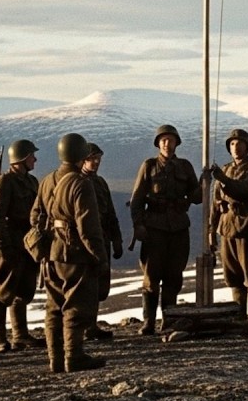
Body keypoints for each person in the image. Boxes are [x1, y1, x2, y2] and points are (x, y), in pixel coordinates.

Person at [32, 133, 106, 372]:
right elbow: (88, 227)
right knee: (74, 306)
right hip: (74, 253)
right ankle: (74, 356)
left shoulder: (47, 181)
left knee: (54, 308)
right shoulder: (81, 183)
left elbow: (36, 217)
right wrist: (98, 256)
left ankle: (55, 359)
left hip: (51, 252)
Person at [129, 124, 202, 335]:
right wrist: (138, 224)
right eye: (163, 141)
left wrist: (203, 186)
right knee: (151, 277)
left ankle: (168, 319)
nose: (167, 144)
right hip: (154, 228)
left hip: (179, 228)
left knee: (173, 276)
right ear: (158, 144)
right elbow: (137, 199)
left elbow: (196, 198)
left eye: (170, 140)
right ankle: (148, 322)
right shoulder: (149, 166)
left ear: (177, 143)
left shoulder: (185, 167)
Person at [0, 139, 44, 353]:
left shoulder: (31, 182)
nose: (35, 159)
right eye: (31, 156)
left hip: (27, 243)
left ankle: (20, 335)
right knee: (1, 292)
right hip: (9, 243)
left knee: (24, 290)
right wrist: (4, 245)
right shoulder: (4, 182)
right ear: (22, 158)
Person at [207, 129, 248, 330]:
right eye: (231, 144)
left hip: (247, 225)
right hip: (227, 226)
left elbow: (244, 191)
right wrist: (211, 231)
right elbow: (215, 203)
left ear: (247, 147)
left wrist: (223, 180)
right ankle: (240, 316)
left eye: (239, 143)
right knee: (233, 274)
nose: (235, 147)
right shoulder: (225, 169)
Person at [80, 143, 122, 340]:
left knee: (99, 287)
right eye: (91, 158)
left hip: (102, 238)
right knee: (85, 287)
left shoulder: (101, 183)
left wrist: (117, 239)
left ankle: (91, 325)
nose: (95, 162)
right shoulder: (76, 182)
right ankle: (80, 328)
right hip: (84, 241)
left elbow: (110, 213)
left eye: (98, 159)